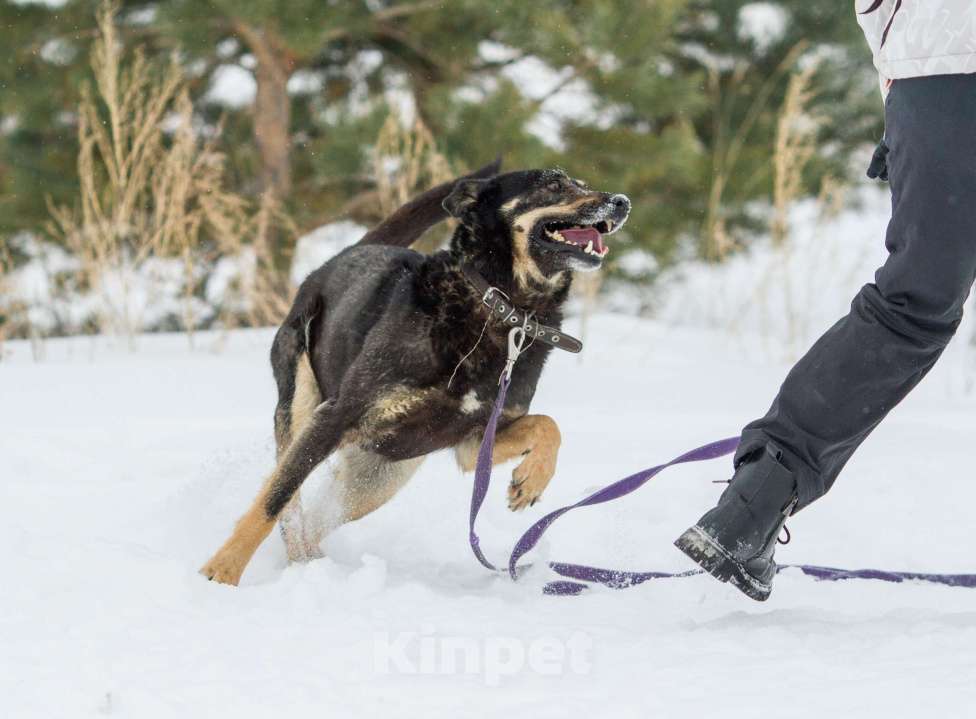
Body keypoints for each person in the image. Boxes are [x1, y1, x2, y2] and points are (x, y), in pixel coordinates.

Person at [675, 1, 976, 601]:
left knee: (912, 305)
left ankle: (755, 501)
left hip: (938, 70)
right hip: (935, 66)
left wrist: (907, 93)